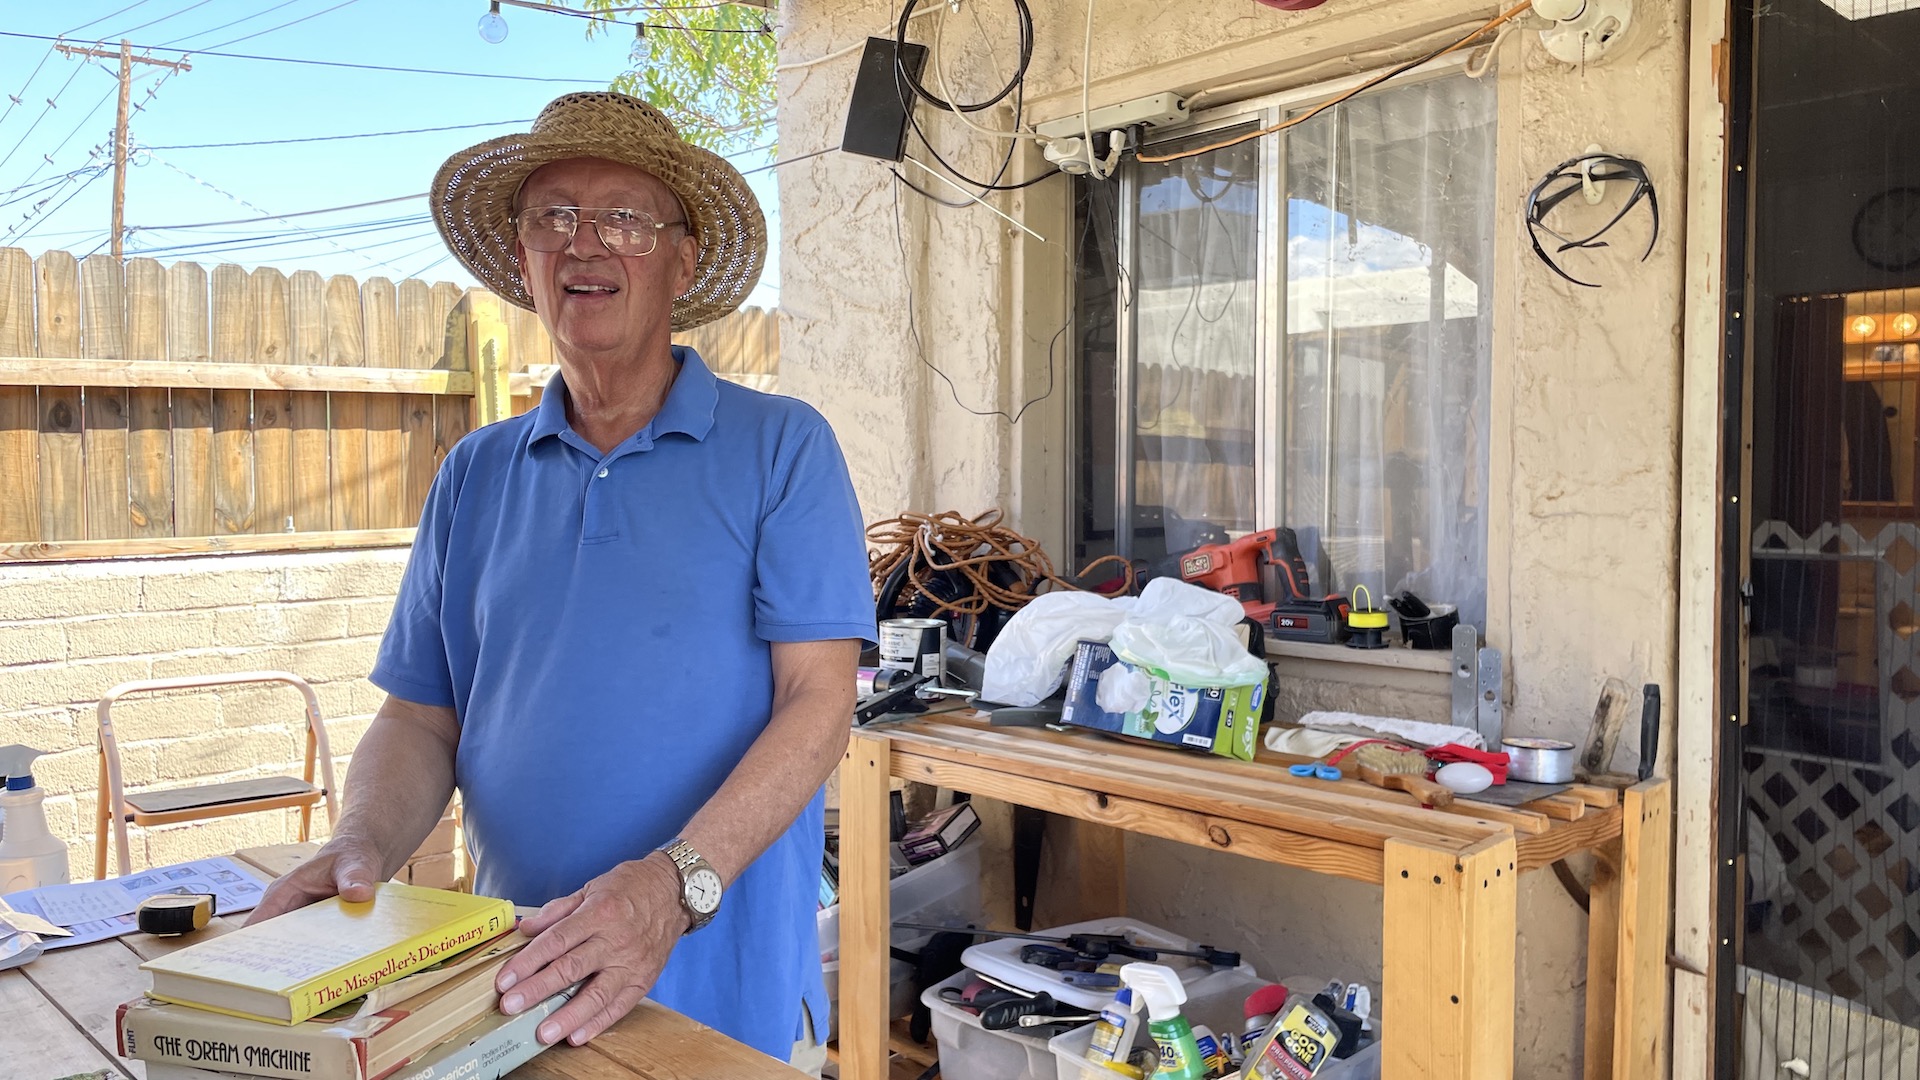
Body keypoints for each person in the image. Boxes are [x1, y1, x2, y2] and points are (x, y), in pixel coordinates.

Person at [250, 92, 876, 1072]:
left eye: (623, 218)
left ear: (681, 257)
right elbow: (423, 719)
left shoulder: (783, 449)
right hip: (513, 985)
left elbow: (819, 703)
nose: (585, 246)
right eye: (553, 218)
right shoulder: (475, 472)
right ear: (523, 261)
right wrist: (358, 844)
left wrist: (673, 889)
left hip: (719, 999)